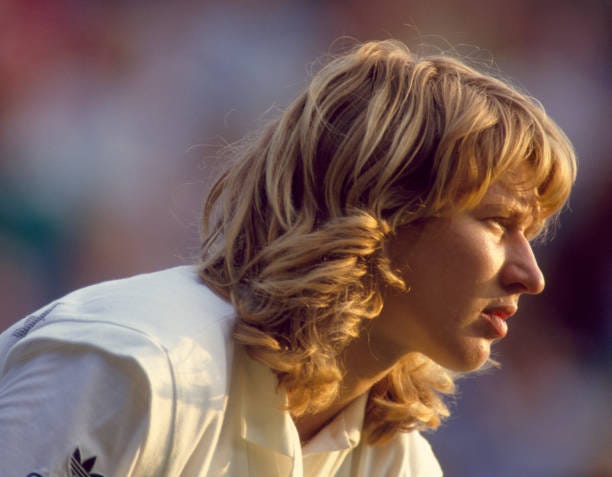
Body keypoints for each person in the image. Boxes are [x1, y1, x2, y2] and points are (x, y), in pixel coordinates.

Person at [0, 40, 576, 476]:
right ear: (383, 207)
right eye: (499, 223)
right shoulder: (130, 367)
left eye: (532, 234)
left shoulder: (397, 461)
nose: (532, 276)